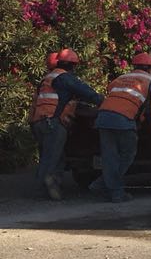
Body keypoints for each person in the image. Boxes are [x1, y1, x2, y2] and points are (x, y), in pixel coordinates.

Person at [29, 48, 103, 201]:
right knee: (52, 157)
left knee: (52, 156)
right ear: (73, 65)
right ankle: (44, 187)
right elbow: (86, 93)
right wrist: (102, 100)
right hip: (53, 123)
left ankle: (51, 186)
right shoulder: (65, 78)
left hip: (39, 122)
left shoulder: (47, 78)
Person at [93, 52, 151, 203]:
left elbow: (114, 94)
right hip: (123, 119)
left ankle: (105, 186)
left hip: (103, 117)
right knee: (127, 154)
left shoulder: (121, 78)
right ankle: (113, 191)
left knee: (110, 157)